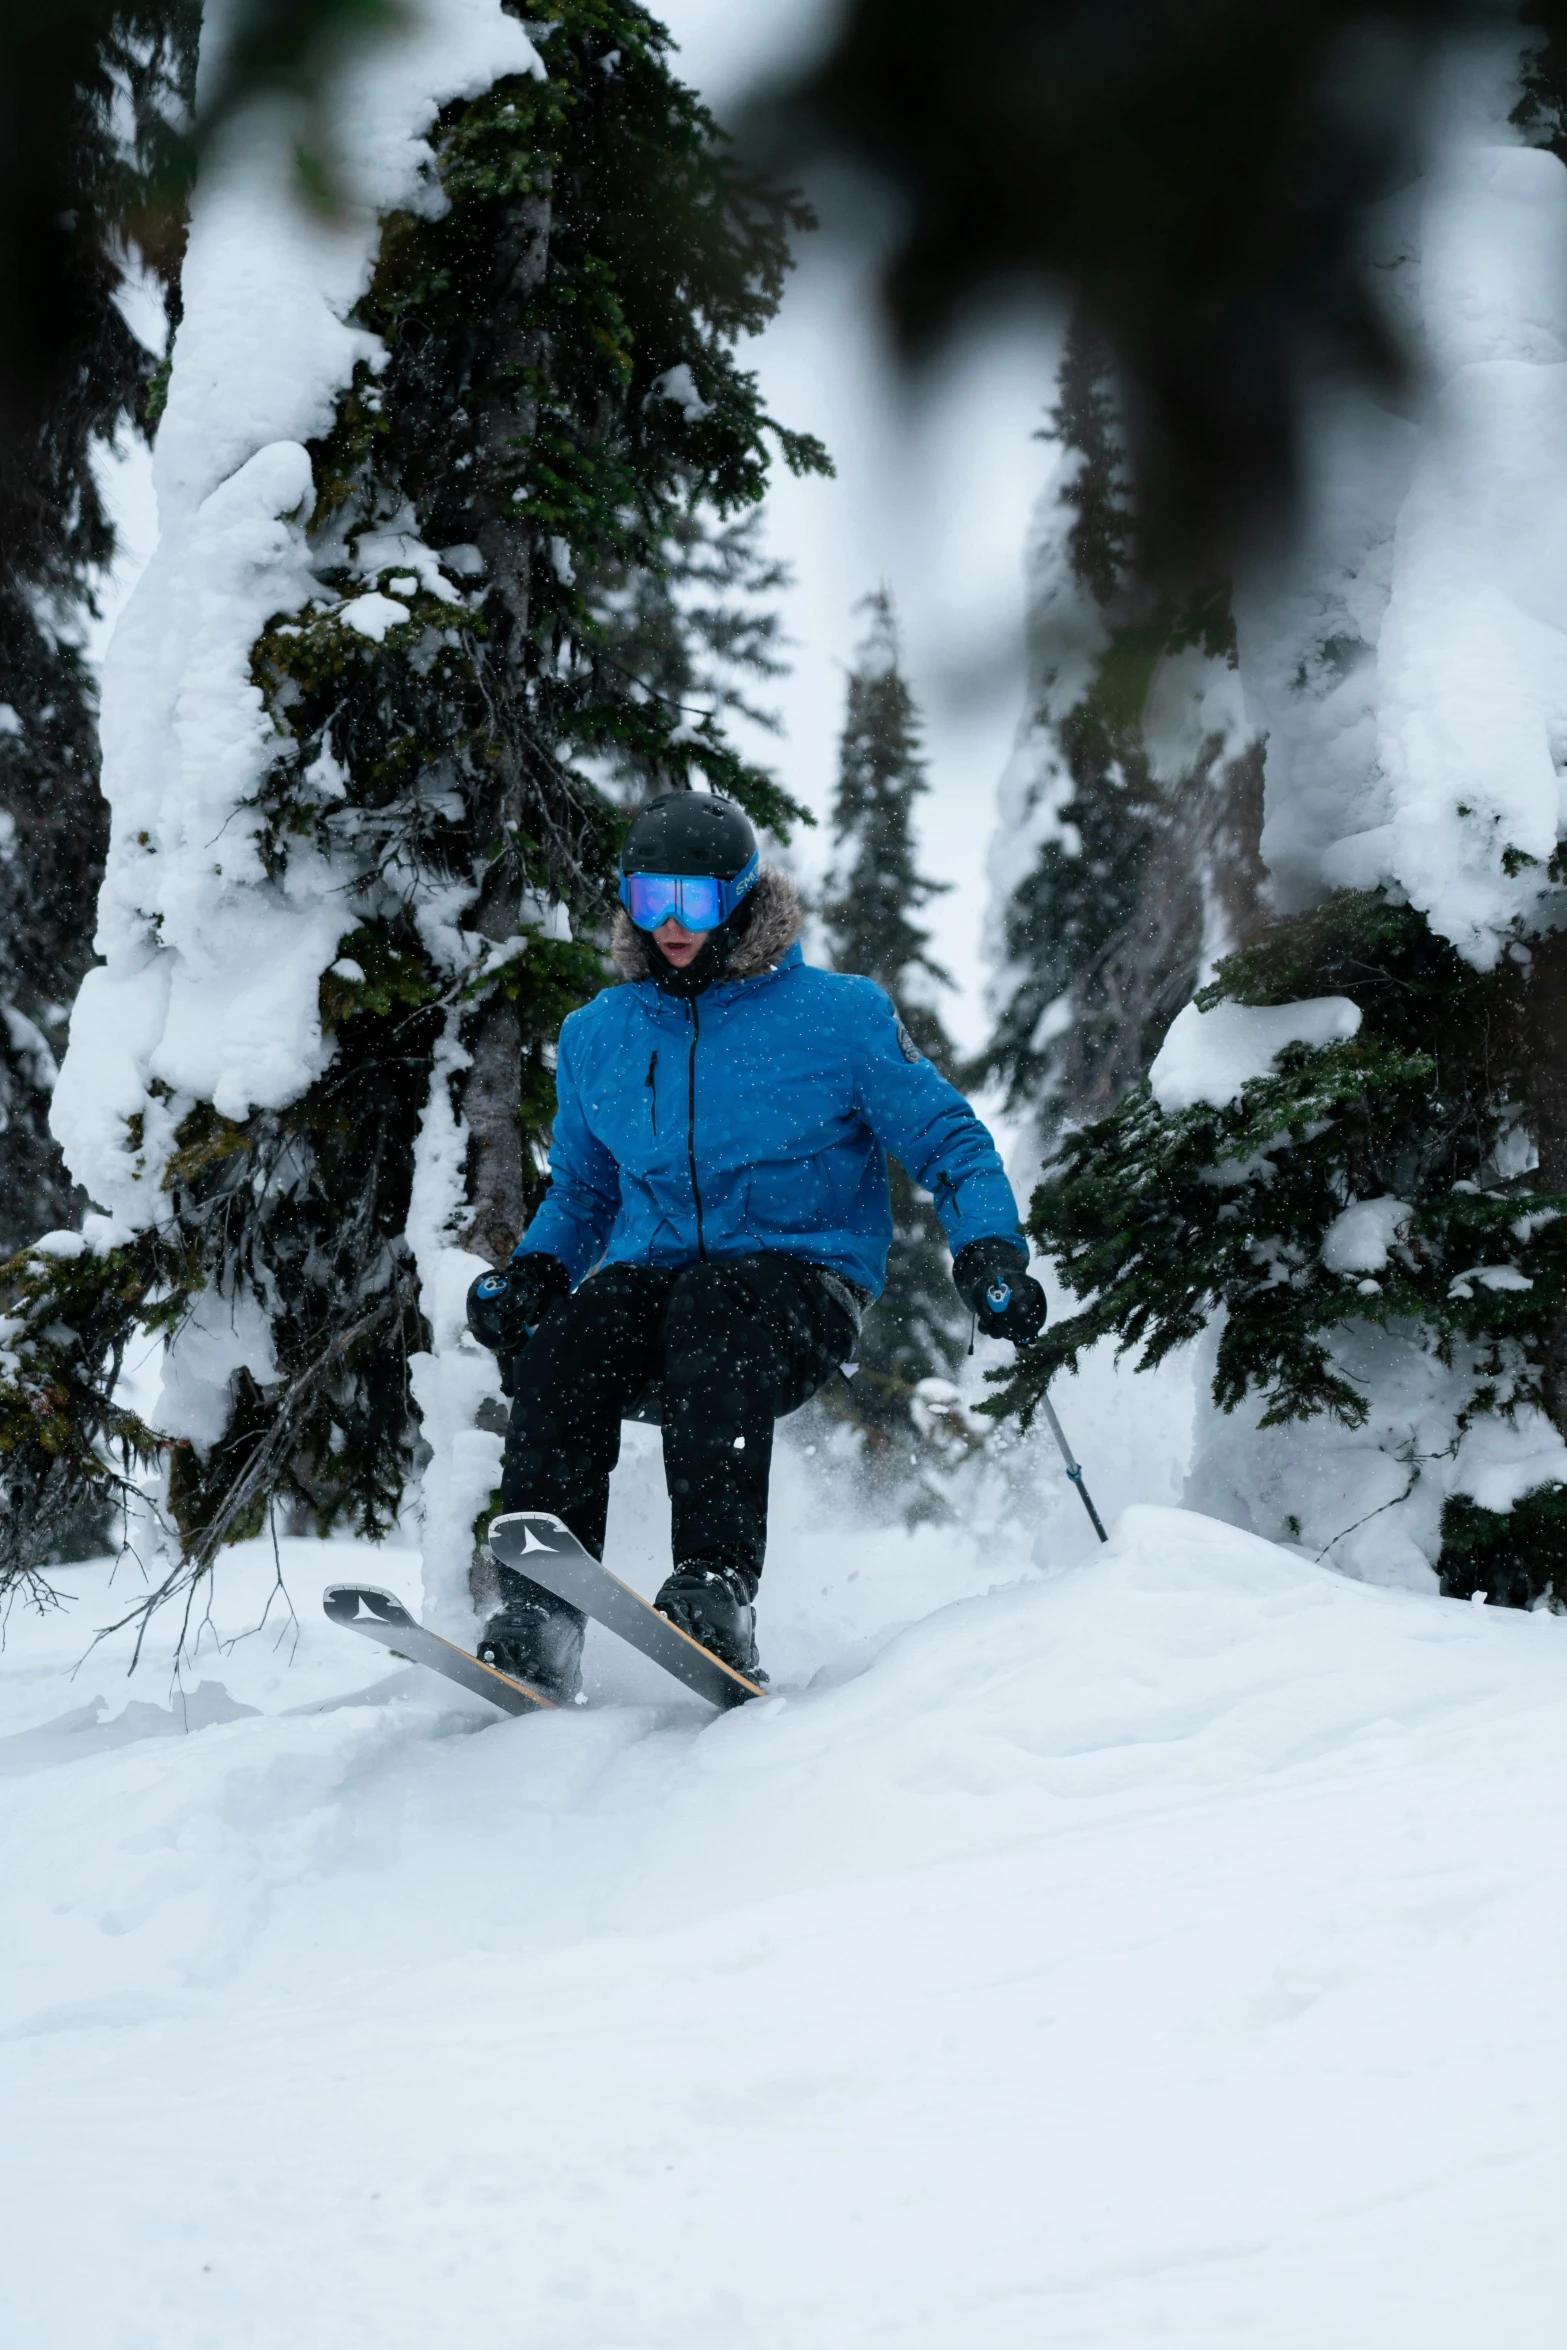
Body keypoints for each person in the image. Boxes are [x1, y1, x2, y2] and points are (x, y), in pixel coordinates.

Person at [465, 790, 1046, 1697]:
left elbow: (950, 1141)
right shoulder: (597, 1037)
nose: (671, 926)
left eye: (694, 903)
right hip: (654, 1281)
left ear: (740, 899)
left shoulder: (837, 1017)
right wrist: (538, 1272)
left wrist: (988, 1248)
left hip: (796, 1285)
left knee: (717, 1308)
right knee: (568, 1343)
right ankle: (540, 1614)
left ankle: (715, 1588)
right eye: (650, 899)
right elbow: (582, 1190)